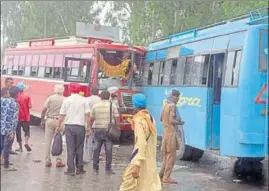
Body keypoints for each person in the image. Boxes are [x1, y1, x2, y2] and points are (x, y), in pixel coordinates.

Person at [119, 93, 162, 191]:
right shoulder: (150, 118)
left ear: (134, 105)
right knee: (147, 185)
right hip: (149, 159)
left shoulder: (139, 120)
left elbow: (141, 142)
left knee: (128, 184)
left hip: (140, 158)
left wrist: (137, 164)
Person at [58, 83, 91, 176]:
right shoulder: (84, 100)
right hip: (81, 126)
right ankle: (80, 168)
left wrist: (59, 125)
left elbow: (62, 115)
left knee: (70, 148)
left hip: (69, 126)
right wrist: (88, 127)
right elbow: (88, 115)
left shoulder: (66, 100)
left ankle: (70, 169)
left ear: (70, 89)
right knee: (80, 147)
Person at [89, 90, 120, 175]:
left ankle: (95, 169)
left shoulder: (95, 106)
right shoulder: (112, 105)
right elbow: (117, 118)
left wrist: (89, 127)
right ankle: (108, 169)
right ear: (109, 96)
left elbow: (91, 118)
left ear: (100, 97)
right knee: (108, 150)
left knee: (96, 149)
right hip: (108, 131)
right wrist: (118, 127)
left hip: (98, 129)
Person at [159, 89, 184, 184]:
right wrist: (180, 122)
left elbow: (161, 118)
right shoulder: (172, 106)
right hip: (171, 134)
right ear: (173, 96)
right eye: (177, 96)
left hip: (165, 133)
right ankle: (167, 177)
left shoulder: (165, 104)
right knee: (171, 157)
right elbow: (171, 120)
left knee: (166, 156)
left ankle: (161, 175)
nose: (178, 98)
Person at [41, 84, 65, 168]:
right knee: (59, 140)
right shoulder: (65, 99)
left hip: (50, 120)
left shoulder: (50, 98)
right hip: (60, 121)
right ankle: (59, 160)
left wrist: (42, 119)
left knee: (48, 141)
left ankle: (47, 160)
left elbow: (44, 109)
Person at [1, 87, 19, 171]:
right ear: (17, 94)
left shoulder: (2, 101)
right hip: (9, 129)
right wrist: (13, 131)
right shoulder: (15, 104)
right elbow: (15, 119)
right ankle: (6, 164)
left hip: (1, 126)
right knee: (6, 146)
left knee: (1, 145)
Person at [84, 86, 101, 163]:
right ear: (98, 92)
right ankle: (96, 155)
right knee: (97, 140)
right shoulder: (100, 100)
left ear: (91, 91)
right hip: (98, 123)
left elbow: (85, 112)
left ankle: (88, 156)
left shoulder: (87, 100)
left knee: (89, 140)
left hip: (89, 122)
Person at [16, 82, 32, 152]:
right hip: (26, 117)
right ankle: (26, 142)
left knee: (18, 132)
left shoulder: (16, 97)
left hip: (17, 117)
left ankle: (20, 147)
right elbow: (30, 106)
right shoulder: (27, 96)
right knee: (27, 131)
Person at [2, 77, 17, 155]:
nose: (12, 84)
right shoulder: (3, 91)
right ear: (6, 83)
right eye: (10, 83)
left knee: (9, 138)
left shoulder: (13, 91)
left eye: (12, 83)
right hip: (4, 121)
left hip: (9, 121)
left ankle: (9, 149)